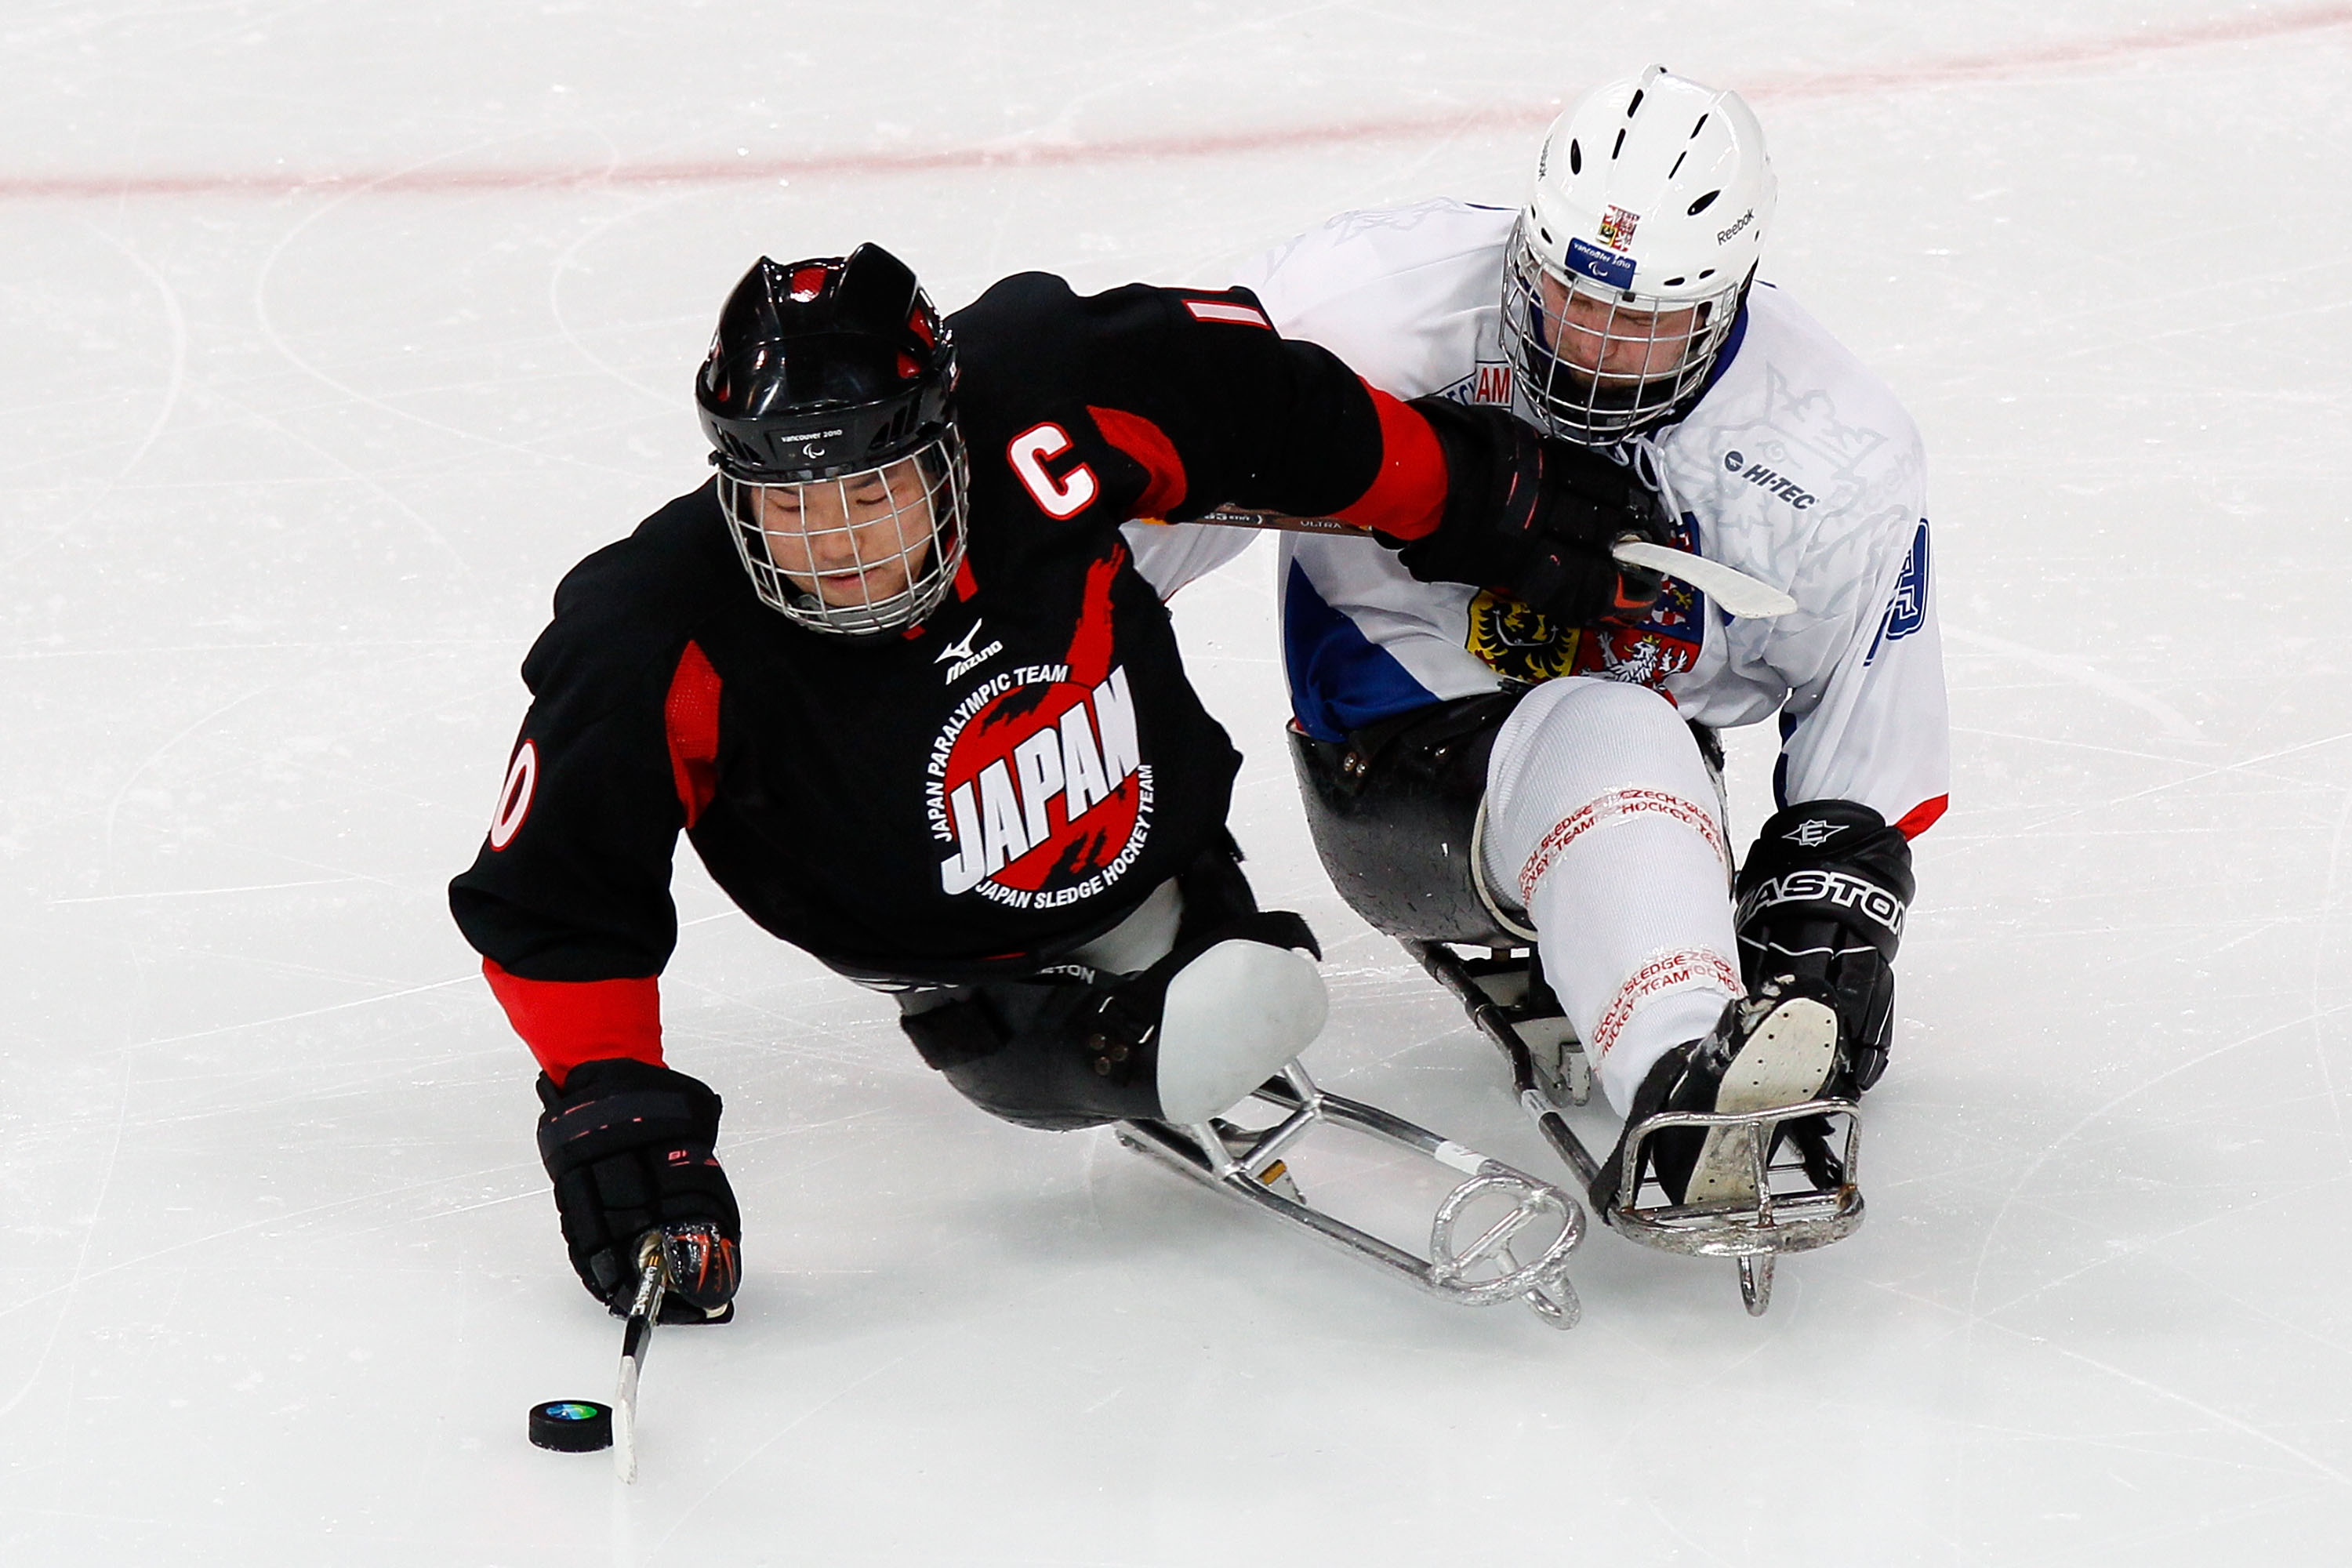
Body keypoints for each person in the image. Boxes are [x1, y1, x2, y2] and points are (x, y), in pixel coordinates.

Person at [448, 242, 1665, 1321]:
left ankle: (1192, 955)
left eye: (874, 491)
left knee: (1245, 982)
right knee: (1221, 1013)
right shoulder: (654, 627)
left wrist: (1470, 496)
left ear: (947, 436)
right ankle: (1132, 1025)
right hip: (973, 986)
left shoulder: (1046, 391)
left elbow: (1273, 408)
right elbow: (557, 893)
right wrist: (614, 1109)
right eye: (792, 504)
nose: (841, 547)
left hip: (1168, 850)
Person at [1199, 66, 1949, 1222]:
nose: (1592, 351)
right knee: (1618, 724)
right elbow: (1145, 480)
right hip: (1389, 767)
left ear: (1727, 299)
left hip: (1654, 780)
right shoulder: (1367, 308)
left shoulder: (1834, 453)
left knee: (1629, 733)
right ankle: (1686, 1070)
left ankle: (1706, 1053)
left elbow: (1866, 740)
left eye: (1642, 324)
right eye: (1569, 299)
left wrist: (1820, 956)